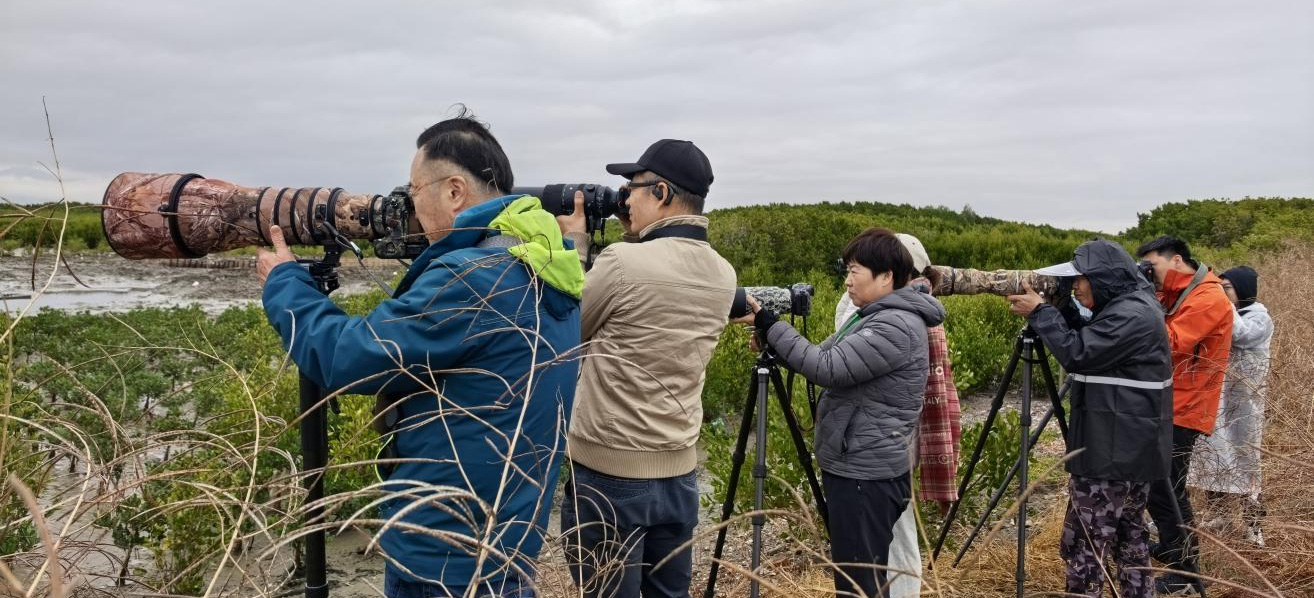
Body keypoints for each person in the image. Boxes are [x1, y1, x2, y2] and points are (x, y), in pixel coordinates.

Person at [257, 111, 585, 598]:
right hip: (507, 539)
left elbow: (348, 357)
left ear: (454, 191)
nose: (408, 210)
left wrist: (285, 284)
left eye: (413, 193)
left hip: (447, 554)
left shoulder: (474, 279)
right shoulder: (546, 261)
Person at [555, 139, 736, 598]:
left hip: (608, 471)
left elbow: (563, 335)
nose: (625, 197)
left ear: (660, 193)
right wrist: (635, 233)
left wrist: (573, 246)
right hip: (679, 472)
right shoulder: (723, 273)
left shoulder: (621, 263)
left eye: (632, 188)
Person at [741, 227, 945, 598]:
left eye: (855, 271)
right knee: (860, 575)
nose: (847, 281)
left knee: (858, 583)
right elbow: (822, 353)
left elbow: (827, 367)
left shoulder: (893, 324)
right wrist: (774, 340)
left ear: (886, 277)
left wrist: (770, 325)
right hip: (863, 464)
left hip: (865, 472)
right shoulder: (873, 315)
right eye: (847, 270)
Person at [1007, 238, 1172, 598]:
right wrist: (1062, 307)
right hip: (1131, 448)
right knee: (1130, 538)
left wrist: (1041, 313)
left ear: (1104, 278)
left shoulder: (1131, 315)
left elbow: (1078, 352)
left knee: (1086, 545)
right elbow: (1092, 337)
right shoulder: (1133, 305)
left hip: (1112, 453)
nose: (1076, 286)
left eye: (1081, 279)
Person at [833, 233, 961, 598]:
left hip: (880, 450)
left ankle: (902, 592)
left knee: (893, 539)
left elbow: (834, 365)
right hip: (887, 443)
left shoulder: (898, 314)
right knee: (888, 537)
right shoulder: (912, 308)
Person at [1135, 235, 1233, 594]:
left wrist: (1141, 298)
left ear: (1176, 260)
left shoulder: (1208, 296)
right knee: (1156, 485)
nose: (1150, 275)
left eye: (1152, 266)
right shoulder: (1178, 291)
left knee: (1168, 490)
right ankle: (1173, 549)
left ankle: (1186, 572)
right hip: (1166, 402)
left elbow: (1169, 342)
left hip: (1185, 407)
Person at [1188, 265, 1273, 546]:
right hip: (1221, 402)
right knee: (1215, 457)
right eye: (1220, 288)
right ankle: (1219, 514)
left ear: (1244, 290)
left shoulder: (1259, 317)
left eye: (1227, 288)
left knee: (1246, 462)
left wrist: (1220, 303)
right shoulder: (1233, 312)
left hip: (1245, 405)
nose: (1223, 294)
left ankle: (1253, 526)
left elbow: (1242, 335)